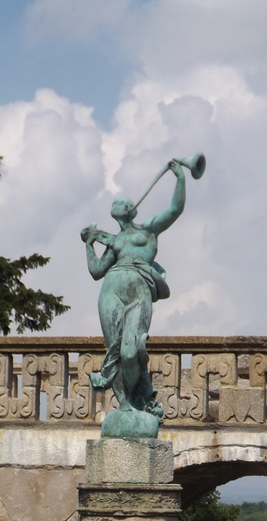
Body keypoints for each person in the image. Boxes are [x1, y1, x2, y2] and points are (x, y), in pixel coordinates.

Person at [81, 160, 187, 415]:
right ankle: (124, 404)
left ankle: (140, 398)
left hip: (139, 288)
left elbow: (175, 209)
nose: (117, 203)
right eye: (114, 202)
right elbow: (96, 271)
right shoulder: (114, 241)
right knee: (115, 350)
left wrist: (180, 178)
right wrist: (88, 244)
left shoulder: (148, 230)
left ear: (131, 210)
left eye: (122, 202)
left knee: (130, 351)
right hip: (111, 289)